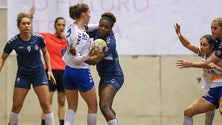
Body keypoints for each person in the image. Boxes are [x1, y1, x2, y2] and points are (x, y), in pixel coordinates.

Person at [0, 12, 55, 125]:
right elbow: (3, 57)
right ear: (18, 26)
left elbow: (45, 53)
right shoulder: (13, 42)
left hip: (38, 74)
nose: (26, 26)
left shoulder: (38, 39)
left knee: (46, 104)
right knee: (16, 105)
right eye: (23, 23)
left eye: (28, 23)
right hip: (23, 75)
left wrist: (49, 70)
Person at [176, 17, 222, 125]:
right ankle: (210, 112)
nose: (201, 47)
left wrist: (190, 64)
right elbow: (188, 45)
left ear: (212, 46)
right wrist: (179, 35)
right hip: (213, 90)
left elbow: (211, 65)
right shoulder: (205, 53)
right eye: (211, 28)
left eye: (204, 45)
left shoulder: (217, 51)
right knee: (188, 111)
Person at [28, 7, 67, 125]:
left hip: (64, 73)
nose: (61, 27)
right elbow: (32, 34)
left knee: (61, 101)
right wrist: (30, 17)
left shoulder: (68, 40)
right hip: (50, 72)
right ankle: (44, 123)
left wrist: (68, 40)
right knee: (47, 101)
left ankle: (62, 122)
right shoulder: (47, 37)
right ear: (55, 26)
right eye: (59, 25)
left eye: (63, 25)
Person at [62, 3, 98, 125]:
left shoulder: (73, 27)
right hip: (80, 72)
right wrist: (89, 55)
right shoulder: (80, 36)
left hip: (68, 72)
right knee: (93, 107)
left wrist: (102, 25)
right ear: (83, 14)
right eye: (88, 13)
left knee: (71, 108)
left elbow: (88, 27)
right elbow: (75, 60)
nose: (90, 15)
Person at [86, 12, 124, 125]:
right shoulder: (96, 31)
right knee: (108, 108)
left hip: (115, 77)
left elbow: (96, 60)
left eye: (106, 27)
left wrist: (77, 59)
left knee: (104, 106)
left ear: (111, 29)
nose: (102, 29)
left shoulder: (110, 42)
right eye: (101, 25)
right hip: (104, 77)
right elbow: (82, 28)